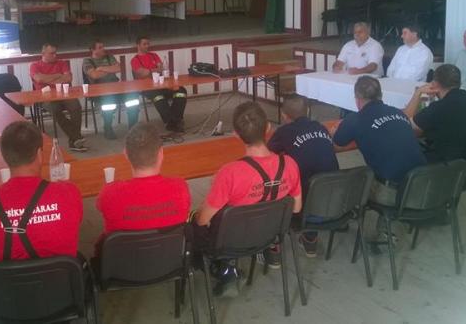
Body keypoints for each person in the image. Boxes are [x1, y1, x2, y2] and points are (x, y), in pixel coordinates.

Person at [193, 102, 302, 296]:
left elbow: (203, 220)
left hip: (235, 240)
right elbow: (296, 208)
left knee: (194, 223)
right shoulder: (290, 164)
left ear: (236, 134)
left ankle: (223, 269)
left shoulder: (229, 173)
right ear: (268, 128)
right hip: (271, 235)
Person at [0, 120, 83, 262]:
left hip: (7, 277)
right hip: (61, 276)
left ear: (5, 156)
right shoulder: (69, 193)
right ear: (39, 154)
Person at [333, 76, 426, 241]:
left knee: (349, 179)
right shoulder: (398, 113)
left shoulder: (354, 119)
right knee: (390, 167)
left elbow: (338, 143)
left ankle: (342, 220)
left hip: (391, 193)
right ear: (381, 95)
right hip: (423, 184)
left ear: (357, 99)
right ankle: (387, 227)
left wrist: (335, 131)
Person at [95, 123, 190, 253]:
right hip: (169, 259)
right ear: (161, 153)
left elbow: (100, 207)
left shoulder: (110, 193)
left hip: (123, 261)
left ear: (126, 153)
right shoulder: (180, 187)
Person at [267, 94, 339, 257]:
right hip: (336, 203)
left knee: (271, 183)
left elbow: (267, 155)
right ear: (307, 111)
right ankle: (310, 240)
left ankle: (273, 248)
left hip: (304, 209)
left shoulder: (284, 132)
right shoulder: (321, 127)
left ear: (284, 116)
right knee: (316, 180)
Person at [404, 64, 466, 162]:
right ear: (459, 83)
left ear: (434, 84)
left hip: (453, 165)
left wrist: (418, 93)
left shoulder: (439, 107)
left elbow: (405, 126)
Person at [30, 43, 88, 152]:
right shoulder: (35, 65)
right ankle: (76, 137)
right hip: (45, 97)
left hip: (64, 94)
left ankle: (74, 140)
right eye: (51, 53)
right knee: (55, 109)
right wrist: (58, 76)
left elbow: (68, 78)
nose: (55, 55)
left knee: (76, 106)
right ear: (43, 53)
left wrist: (48, 79)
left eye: (55, 53)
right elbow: (39, 79)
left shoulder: (62, 63)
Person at [83, 40, 141, 139]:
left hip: (116, 88)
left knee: (133, 97)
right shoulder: (87, 61)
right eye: (100, 47)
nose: (103, 49)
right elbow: (94, 75)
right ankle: (108, 128)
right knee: (108, 102)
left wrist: (101, 68)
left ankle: (133, 128)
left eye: (103, 46)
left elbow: (119, 68)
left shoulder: (109, 57)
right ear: (93, 49)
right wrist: (110, 69)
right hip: (98, 91)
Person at [131, 36, 188, 133]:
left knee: (181, 91)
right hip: (147, 88)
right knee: (158, 97)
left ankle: (175, 119)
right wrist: (155, 70)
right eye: (144, 44)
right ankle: (170, 122)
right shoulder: (135, 60)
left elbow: (161, 68)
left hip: (161, 84)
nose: (147, 46)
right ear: (138, 45)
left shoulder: (154, 55)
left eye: (148, 44)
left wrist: (149, 71)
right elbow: (142, 73)